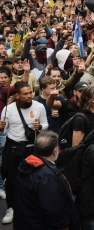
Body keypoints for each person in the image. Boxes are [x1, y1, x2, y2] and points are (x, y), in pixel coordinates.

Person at [0, 81, 49, 224]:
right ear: (17, 95)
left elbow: (45, 125)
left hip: (31, 147)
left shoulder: (39, 106)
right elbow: (3, 130)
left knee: (33, 179)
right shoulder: (8, 109)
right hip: (13, 147)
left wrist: (39, 126)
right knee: (11, 179)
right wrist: (1, 127)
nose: (29, 96)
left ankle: (33, 206)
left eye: (30, 93)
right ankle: (12, 207)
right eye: (25, 94)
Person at [13, 130, 80, 230]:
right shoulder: (46, 176)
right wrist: (63, 225)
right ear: (54, 151)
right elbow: (54, 210)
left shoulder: (26, 165)